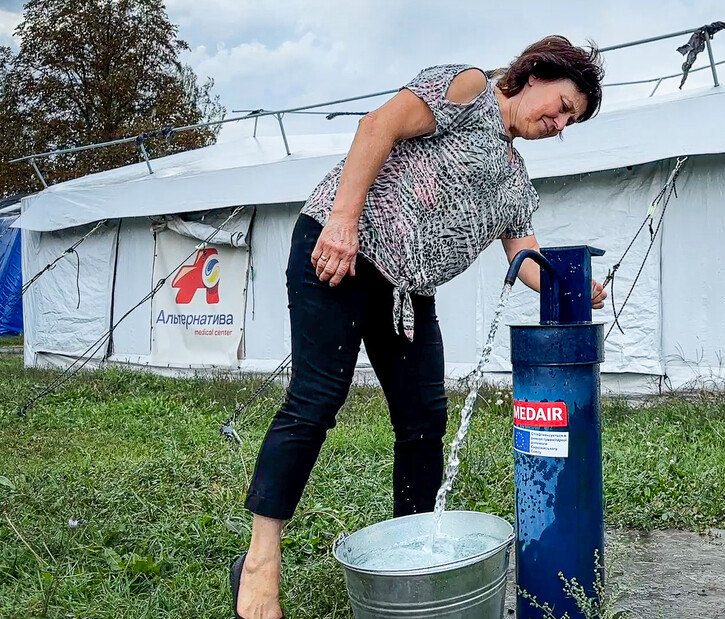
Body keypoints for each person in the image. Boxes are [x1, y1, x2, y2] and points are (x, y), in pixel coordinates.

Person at [231, 35, 608, 619]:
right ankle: (259, 562)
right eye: (560, 104)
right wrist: (343, 224)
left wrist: (572, 283)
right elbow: (375, 128)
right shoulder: (470, 89)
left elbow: (526, 258)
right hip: (342, 250)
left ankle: (412, 555)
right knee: (315, 401)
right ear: (535, 75)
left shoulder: (515, 179)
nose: (558, 122)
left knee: (424, 421)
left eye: (570, 122)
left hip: (406, 293)